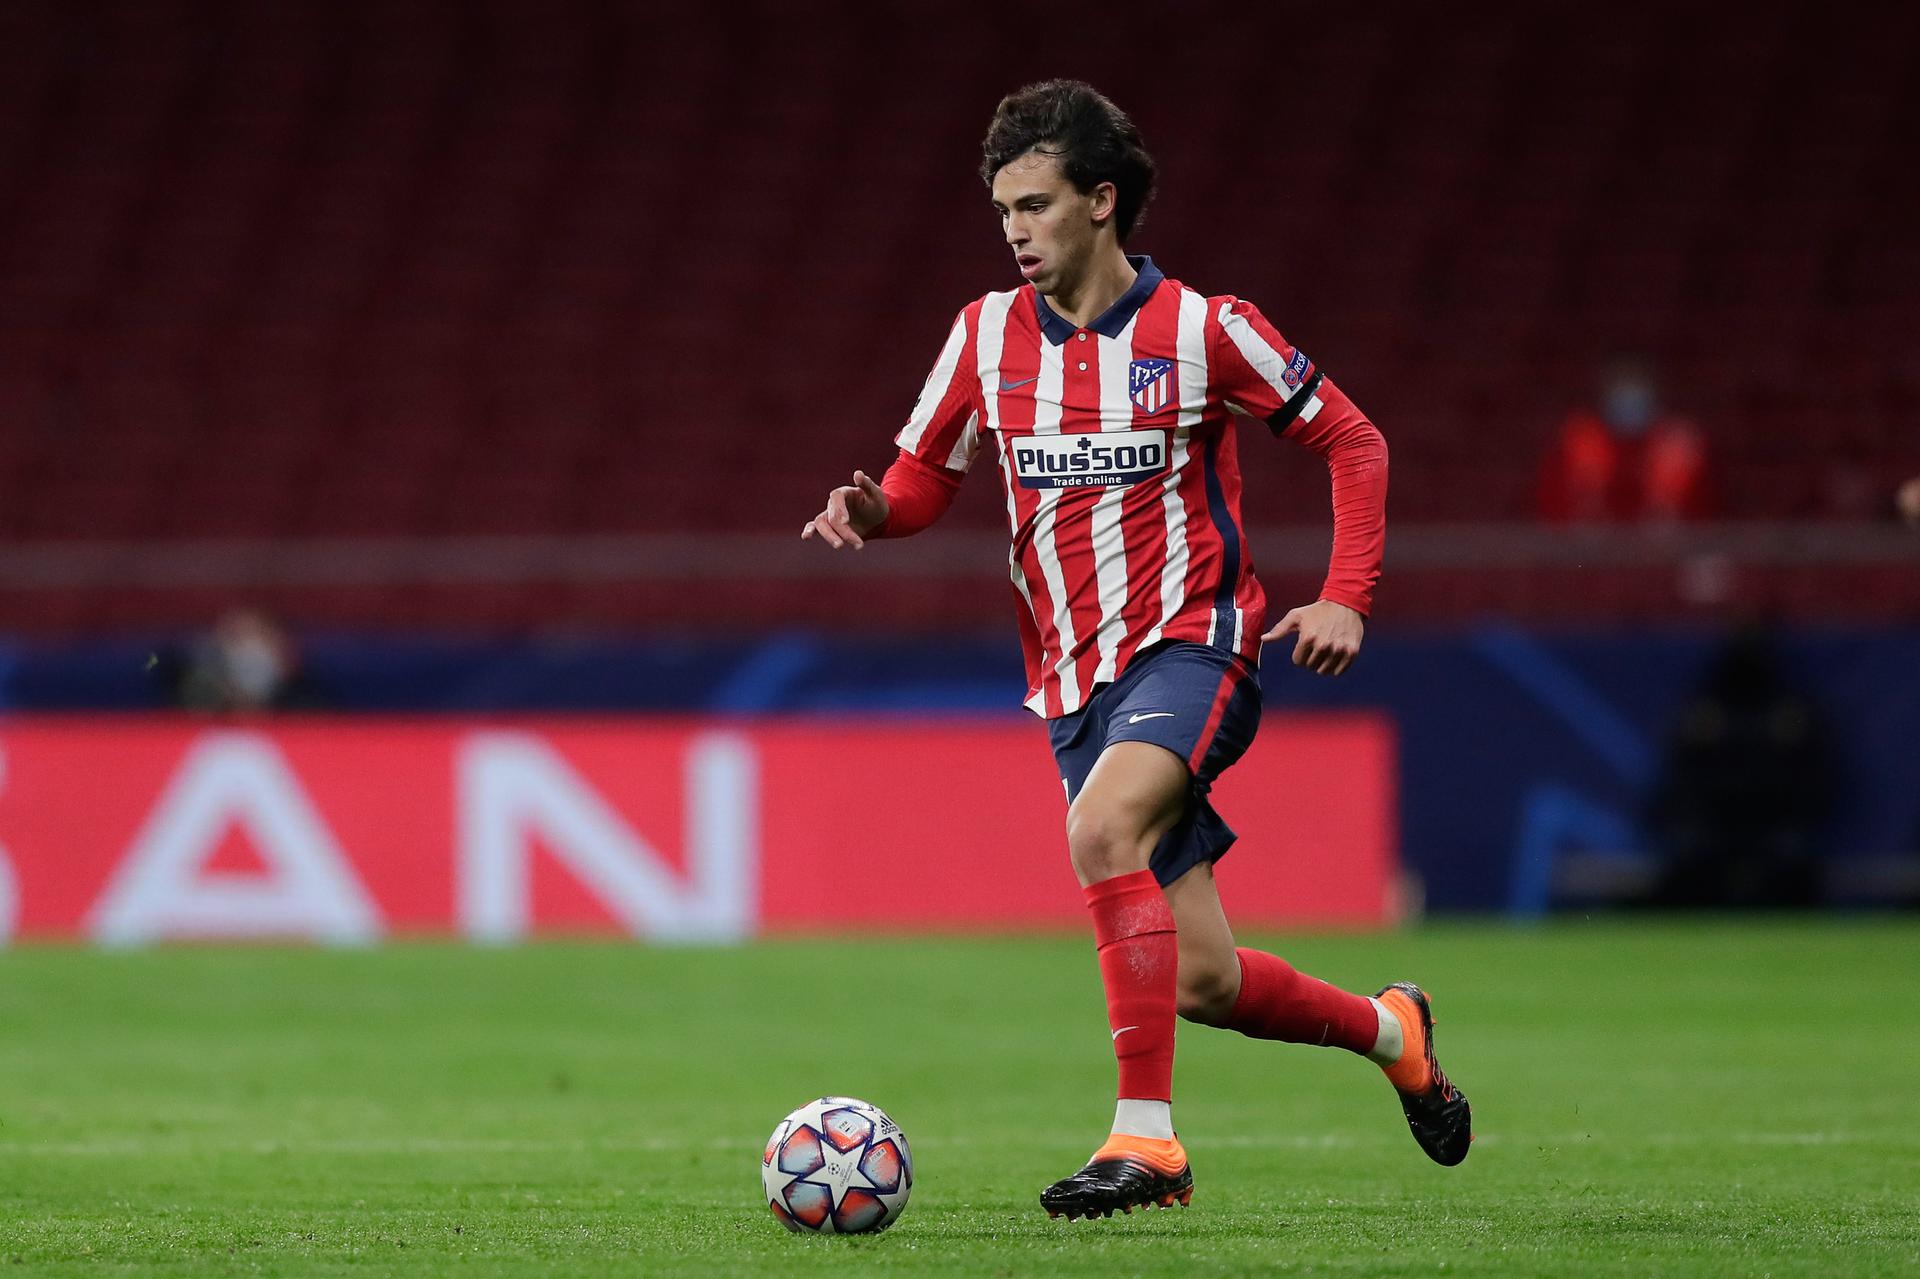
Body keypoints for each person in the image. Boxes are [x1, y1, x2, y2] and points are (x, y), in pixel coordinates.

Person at [801, 81, 1470, 1220]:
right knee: (1203, 978)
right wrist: (875, 513)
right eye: (1003, 207)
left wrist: (1347, 595)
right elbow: (924, 478)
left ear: (1102, 202)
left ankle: (1147, 1145)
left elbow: (1354, 441)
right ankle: (1391, 1030)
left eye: (1038, 203)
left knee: (1100, 827)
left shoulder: (1207, 331)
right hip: (1074, 688)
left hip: (1196, 649)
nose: (1015, 228)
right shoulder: (981, 336)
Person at [1538, 355, 1709, 524]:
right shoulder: (1581, 439)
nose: (1629, 397)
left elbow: (1706, 514)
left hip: (1668, 545)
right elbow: (1552, 511)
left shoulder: (1678, 443)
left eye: (1636, 387)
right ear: (1605, 393)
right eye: (1622, 387)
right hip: (1589, 545)